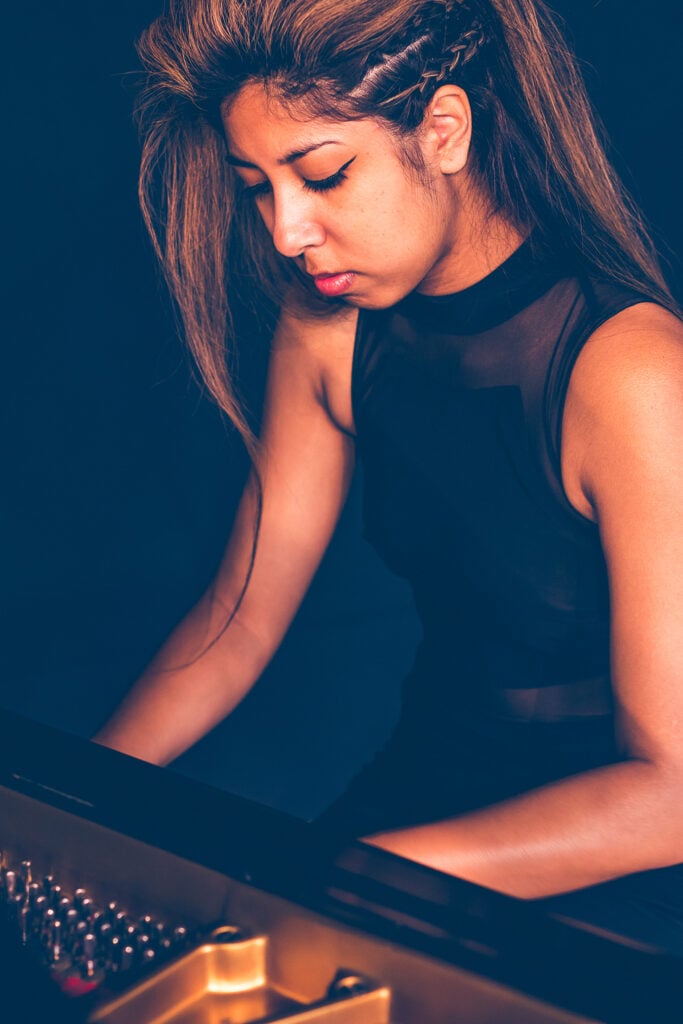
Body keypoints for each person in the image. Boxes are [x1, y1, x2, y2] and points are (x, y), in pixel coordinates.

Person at [94, 0, 683, 948]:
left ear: (442, 131)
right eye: (258, 186)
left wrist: (377, 868)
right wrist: (73, 804)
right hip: (413, 800)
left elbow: (672, 795)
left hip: (614, 861)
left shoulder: (631, 372)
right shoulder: (329, 327)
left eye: (323, 174)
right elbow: (240, 619)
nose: (288, 230)